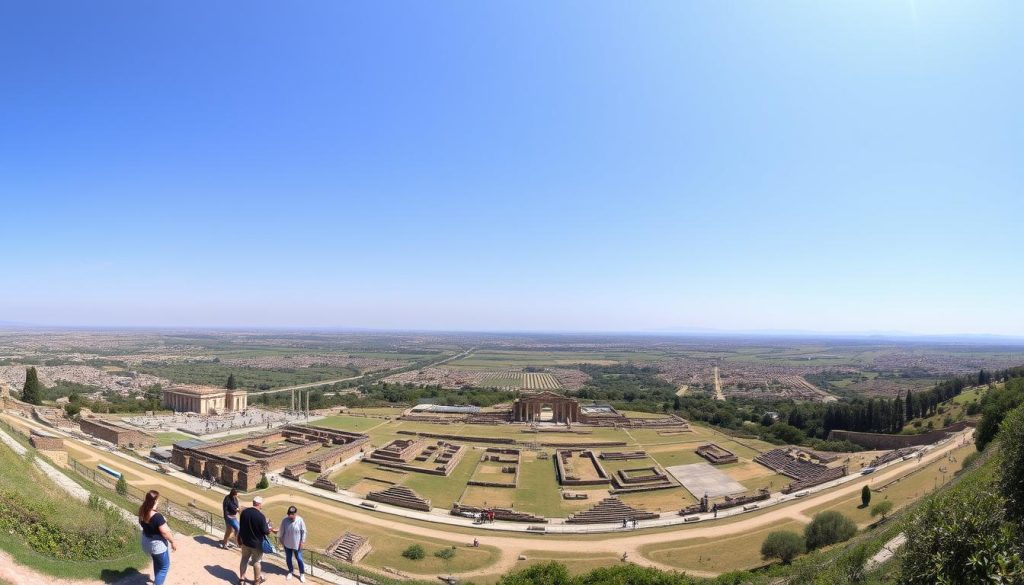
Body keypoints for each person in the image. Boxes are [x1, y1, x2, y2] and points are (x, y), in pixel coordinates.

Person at [139, 490, 176, 585]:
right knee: (164, 567)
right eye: (157, 500)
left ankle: (157, 580)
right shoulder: (157, 516)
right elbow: (165, 533)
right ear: (154, 501)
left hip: (147, 542)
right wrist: (173, 542)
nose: (158, 501)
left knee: (157, 562)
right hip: (157, 546)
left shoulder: (143, 510)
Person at [238, 496, 277, 585]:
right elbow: (265, 531)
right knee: (256, 562)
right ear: (259, 504)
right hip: (256, 544)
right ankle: (256, 581)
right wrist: (270, 529)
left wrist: (240, 538)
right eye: (261, 504)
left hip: (245, 541)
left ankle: (242, 578)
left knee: (244, 559)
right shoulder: (261, 516)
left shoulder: (244, 512)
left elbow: (242, 526)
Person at [280, 506, 308, 582]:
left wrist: (302, 541)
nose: (290, 516)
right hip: (287, 544)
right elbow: (281, 531)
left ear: (295, 514)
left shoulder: (300, 520)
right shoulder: (285, 520)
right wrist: (281, 539)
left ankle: (302, 574)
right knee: (288, 559)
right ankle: (290, 571)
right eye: (289, 514)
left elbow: (304, 531)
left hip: (297, 544)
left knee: (299, 559)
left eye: (292, 514)